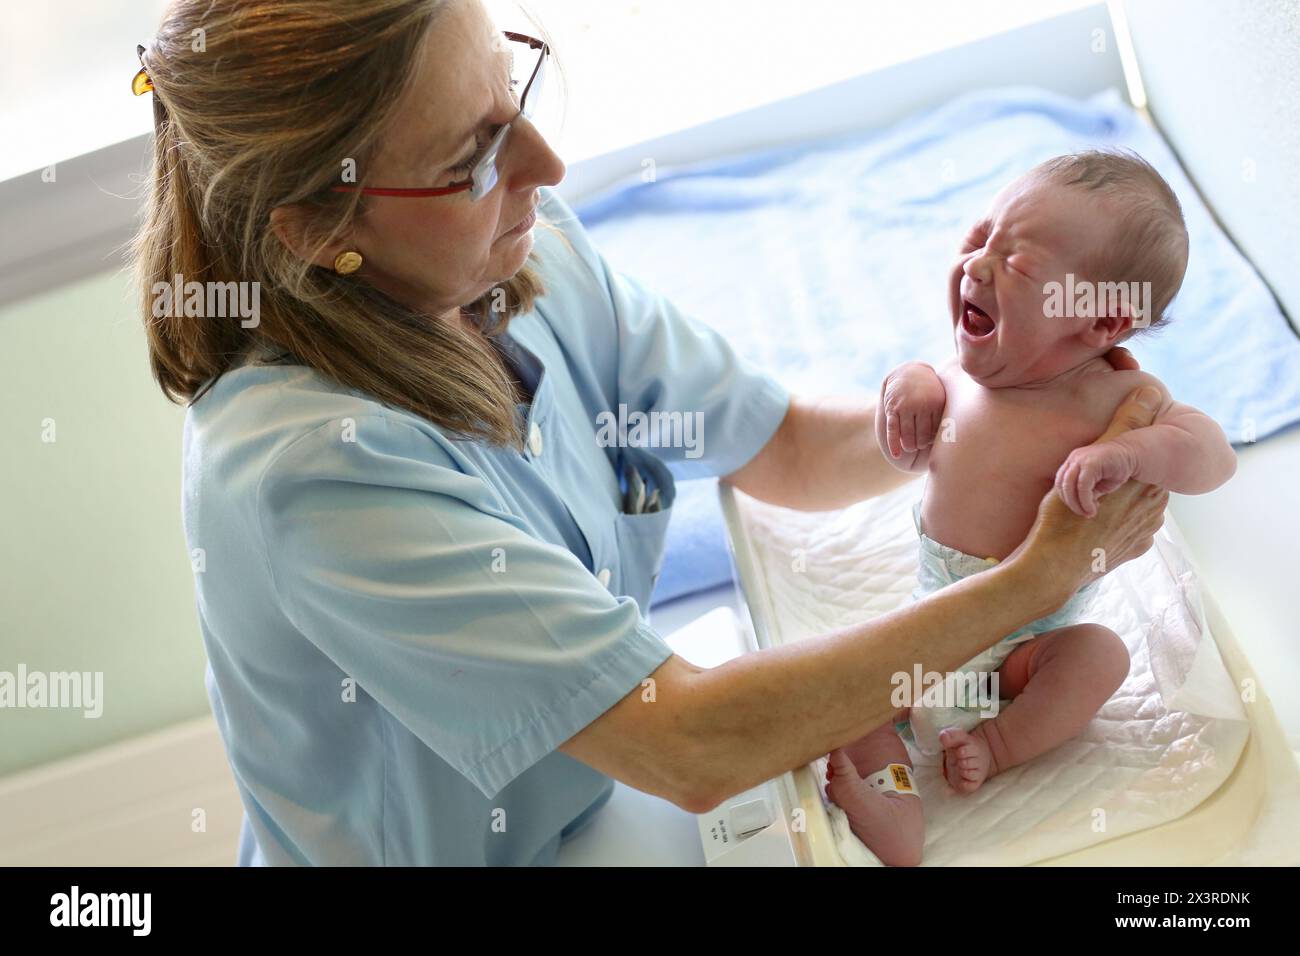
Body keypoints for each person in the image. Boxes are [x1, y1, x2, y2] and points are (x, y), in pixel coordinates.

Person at [130, 0, 1168, 865]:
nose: (548, 163)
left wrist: (966, 419)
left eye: (515, 92)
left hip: (600, 800)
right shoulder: (309, 471)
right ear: (317, 226)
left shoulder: (524, 262)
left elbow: (783, 443)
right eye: (474, 157)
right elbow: (688, 740)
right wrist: (1034, 580)